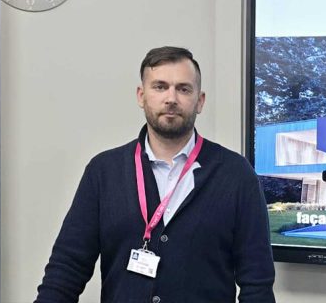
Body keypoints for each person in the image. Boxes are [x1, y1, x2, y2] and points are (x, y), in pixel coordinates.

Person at [35, 46, 276, 303]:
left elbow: (257, 284)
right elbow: (66, 269)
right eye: (160, 87)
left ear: (200, 101)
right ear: (141, 96)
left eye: (183, 89)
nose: (171, 98)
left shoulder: (236, 175)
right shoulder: (104, 172)